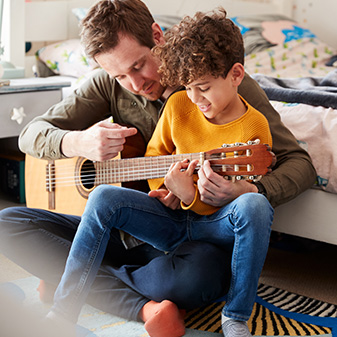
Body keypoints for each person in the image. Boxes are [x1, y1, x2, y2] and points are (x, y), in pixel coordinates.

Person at [0, 0, 316, 336]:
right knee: (8, 227)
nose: (134, 83)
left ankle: (74, 274)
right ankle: (142, 304)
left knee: (195, 279)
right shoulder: (107, 85)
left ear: (157, 36)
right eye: (119, 75)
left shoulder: (217, 80)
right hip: (130, 227)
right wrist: (78, 143)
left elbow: (298, 162)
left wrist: (251, 190)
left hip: (193, 239)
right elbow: (31, 134)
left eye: (138, 66)